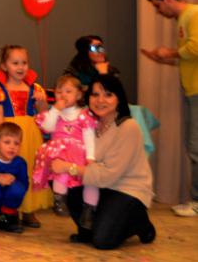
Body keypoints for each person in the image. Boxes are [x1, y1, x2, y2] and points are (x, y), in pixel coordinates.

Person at [61, 75, 157, 249]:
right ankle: (87, 228)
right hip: (99, 185)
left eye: (108, 94)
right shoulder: (87, 124)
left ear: (119, 98)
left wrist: (71, 168)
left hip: (127, 188)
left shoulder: (128, 127)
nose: (100, 100)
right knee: (61, 179)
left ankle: (139, 221)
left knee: (103, 241)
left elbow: (109, 175)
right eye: (95, 94)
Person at [142, 0, 198, 217]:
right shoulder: (184, 19)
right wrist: (166, 59)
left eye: (157, 6)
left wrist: (170, 53)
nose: (158, 12)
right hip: (192, 90)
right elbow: (189, 56)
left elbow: (195, 47)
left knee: (195, 147)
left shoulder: (193, 14)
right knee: (193, 145)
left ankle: (196, 201)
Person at [0, 45, 51, 227]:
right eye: (15, 63)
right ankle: (9, 210)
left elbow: (43, 114)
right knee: (10, 169)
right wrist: (1, 139)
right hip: (10, 134)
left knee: (31, 169)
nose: (21, 67)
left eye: (24, 63)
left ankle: (29, 210)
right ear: (4, 66)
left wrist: (41, 101)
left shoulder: (34, 88)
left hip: (30, 134)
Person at [33, 75, 97, 219]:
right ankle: (59, 199)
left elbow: (89, 137)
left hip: (79, 153)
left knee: (90, 180)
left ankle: (90, 208)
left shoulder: (84, 115)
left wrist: (90, 157)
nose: (63, 95)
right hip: (60, 152)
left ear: (78, 95)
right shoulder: (55, 114)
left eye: (68, 91)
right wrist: (55, 110)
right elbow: (47, 128)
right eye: (59, 92)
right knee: (59, 171)